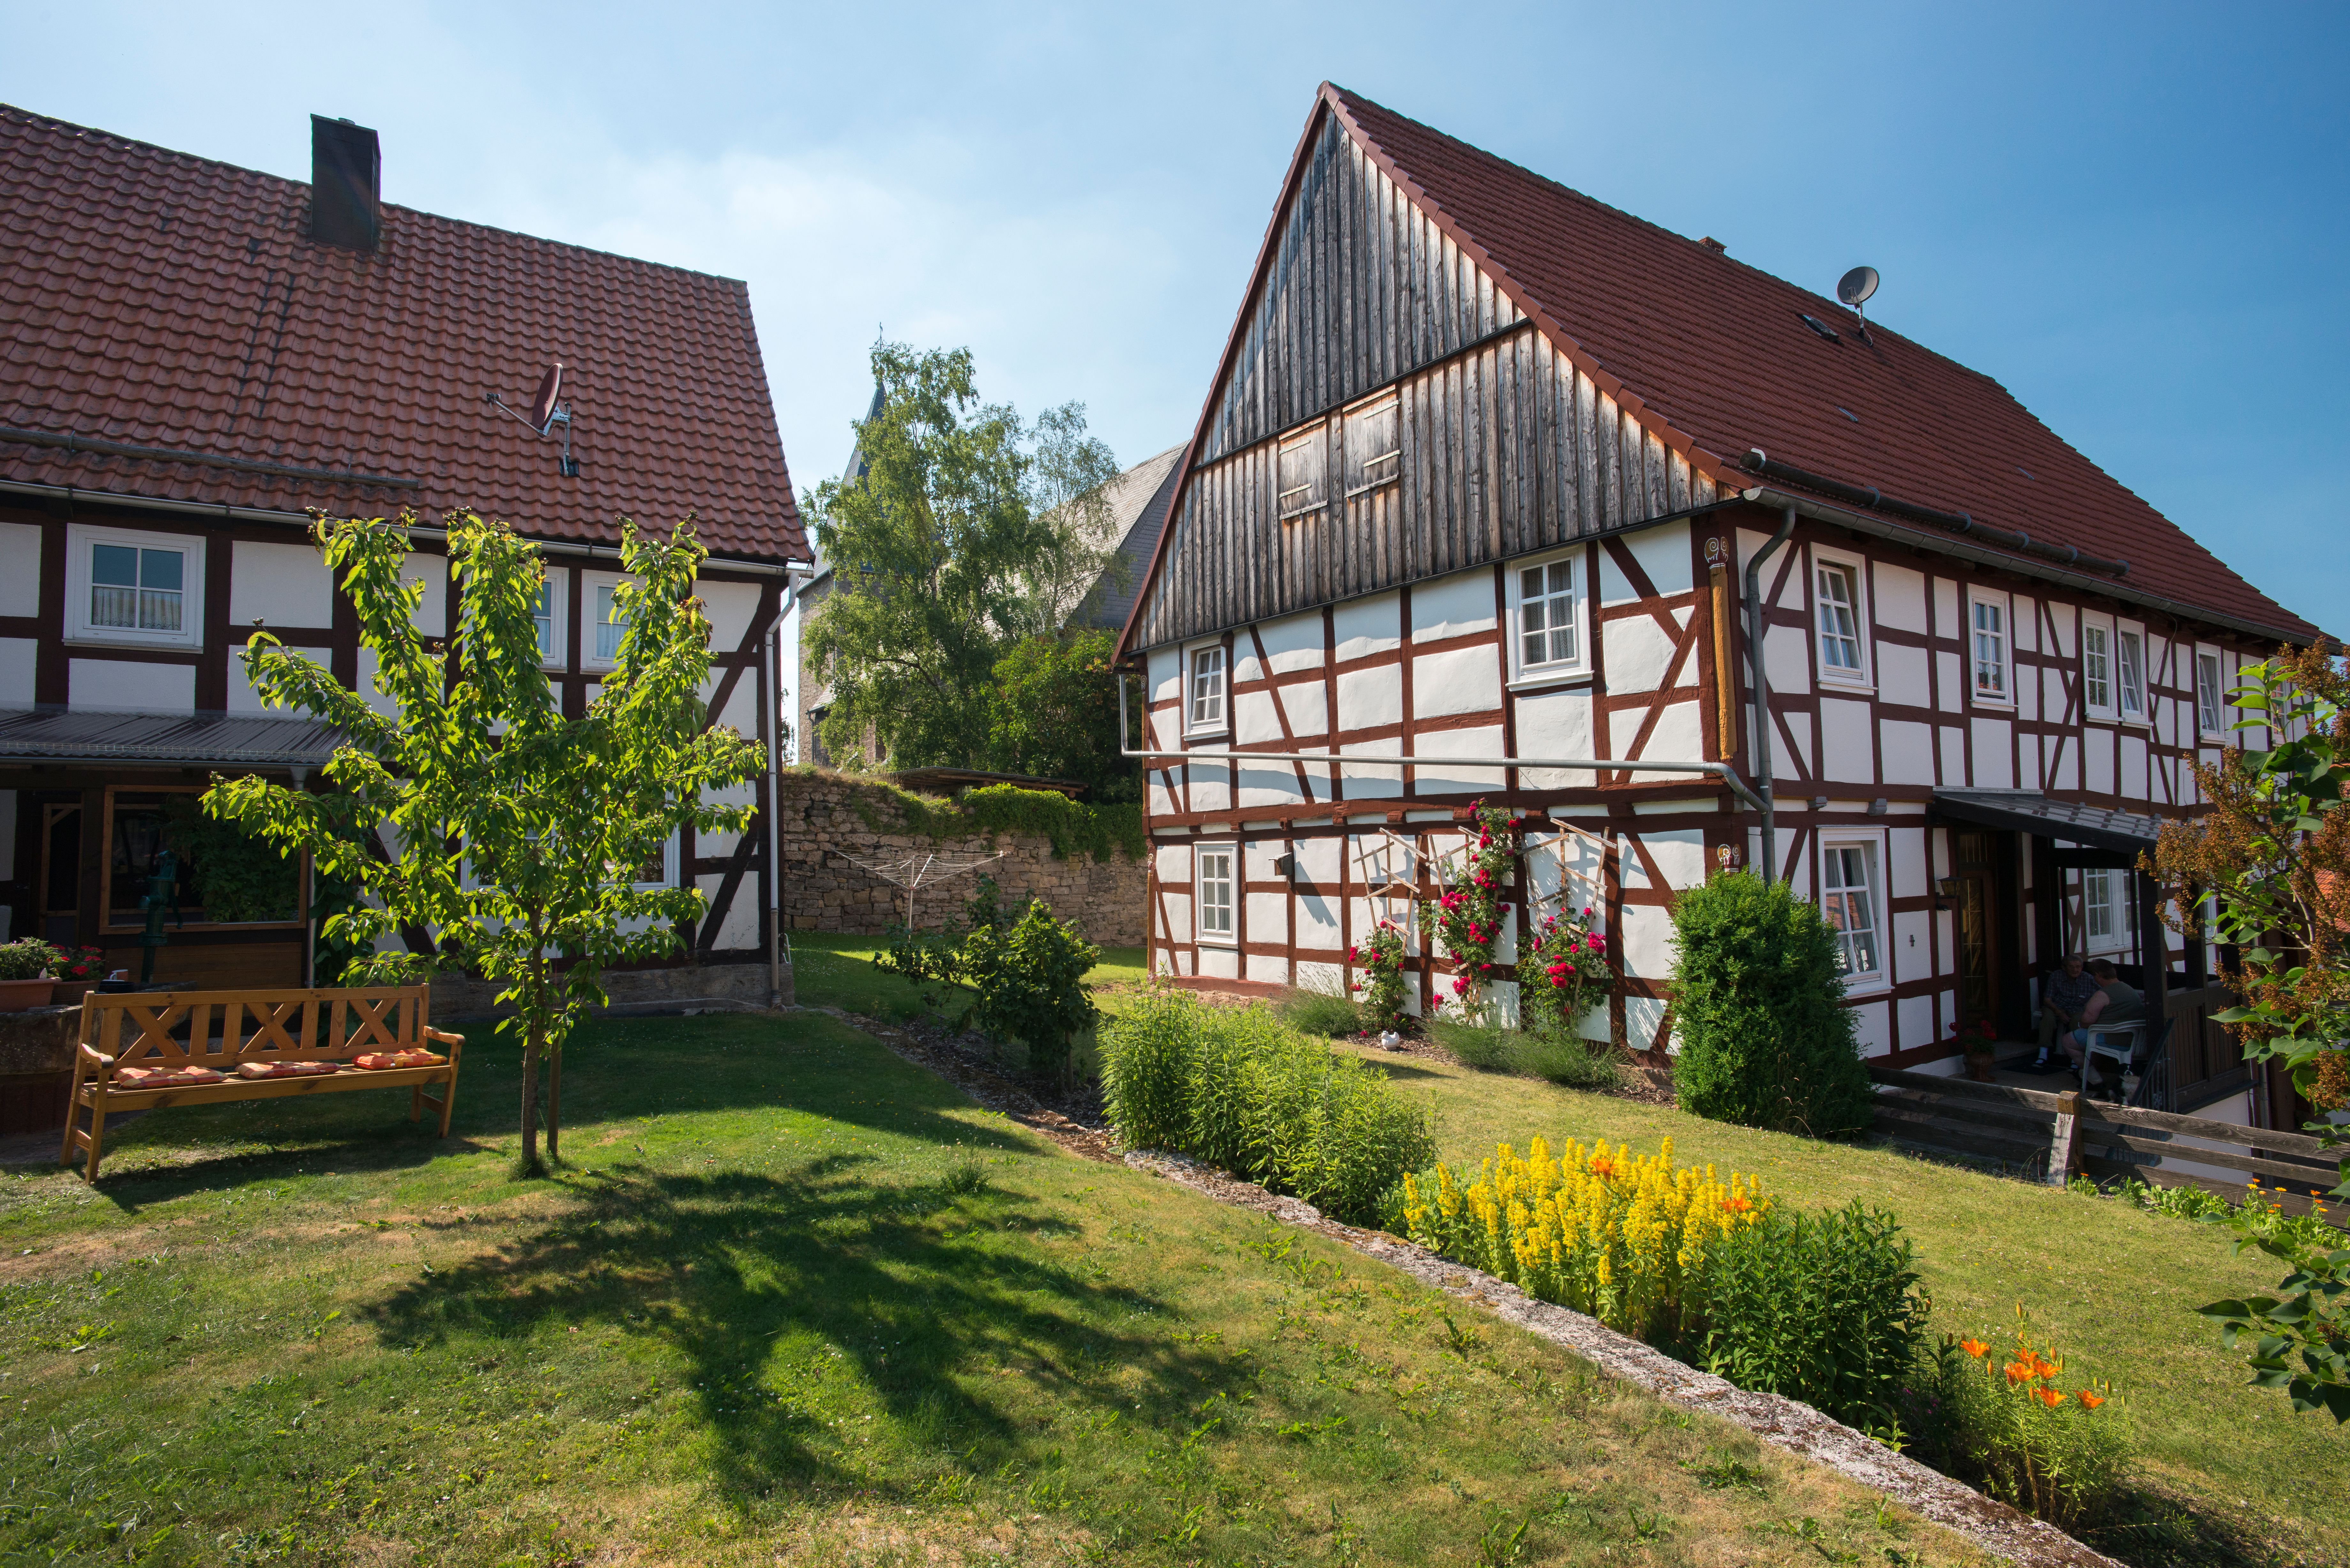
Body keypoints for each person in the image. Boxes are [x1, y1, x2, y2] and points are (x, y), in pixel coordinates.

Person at [2059, 959, 2146, 1091]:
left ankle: (2094, 1080)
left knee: (2068, 1041)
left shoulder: (2103, 994)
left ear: (2098, 975)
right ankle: (2087, 1075)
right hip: (2136, 1040)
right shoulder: (2129, 989)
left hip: (2113, 1038)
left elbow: (2087, 1021)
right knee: (2089, 1040)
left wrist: (2080, 1023)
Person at [2030, 954, 2100, 1073]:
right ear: (2064, 968)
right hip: (2056, 1006)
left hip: (2077, 1008)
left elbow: (2102, 994)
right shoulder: (2056, 976)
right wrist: (2059, 1012)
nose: (2075, 970)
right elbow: (2047, 999)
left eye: (2078, 967)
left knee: (2078, 1021)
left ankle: (2075, 1059)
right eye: (2071, 967)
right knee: (2047, 1020)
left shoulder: (2088, 979)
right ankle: (2043, 1055)